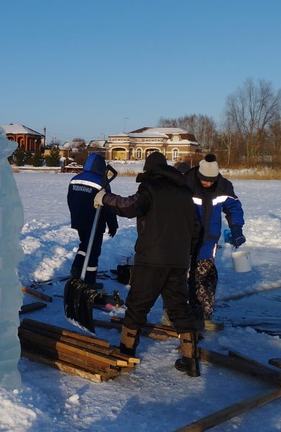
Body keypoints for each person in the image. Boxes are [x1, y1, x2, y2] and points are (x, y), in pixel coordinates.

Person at [93, 152, 202, 377]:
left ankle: (126, 351)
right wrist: (185, 255)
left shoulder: (150, 187)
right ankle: (191, 361)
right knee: (179, 308)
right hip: (178, 263)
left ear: (149, 169)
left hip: (151, 260)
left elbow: (130, 206)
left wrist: (104, 199)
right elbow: (196, 230)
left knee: (137, 307)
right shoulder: (185, 193)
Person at [185, 154, 246, 331]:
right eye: (204, 180)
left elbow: (234, 209)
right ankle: (175, 315)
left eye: (211, 181)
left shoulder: (224, 187)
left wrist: (237, 231)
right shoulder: (186, 184)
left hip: (208, 241)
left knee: (206, 279)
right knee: (182, 279)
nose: (208, 184)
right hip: (185, 240)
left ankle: (203, 318)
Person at [67, 153, 118, 287]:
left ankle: (77, 267)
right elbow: (108, 206)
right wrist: (113, 225)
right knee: (93, 250)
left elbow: (70, 199)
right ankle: (89, 282)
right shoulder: (102, 183)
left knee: (84, 244)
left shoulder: (74, 179)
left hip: (78, 220)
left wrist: (75, 215)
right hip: (94, 222)